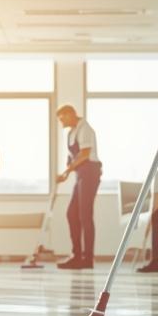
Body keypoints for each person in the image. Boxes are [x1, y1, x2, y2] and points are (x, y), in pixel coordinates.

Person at [54, 104, 101, 270]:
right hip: (81, 175)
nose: (61, 122)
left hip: (90, 173)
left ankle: (87, 259)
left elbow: (85, 154)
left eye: (62, 118)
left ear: (70, 114)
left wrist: (67, 172)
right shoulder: (71, 132)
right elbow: (73, 156)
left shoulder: (85, 128)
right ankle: (76, 255)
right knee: (72, 214)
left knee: (85, 215)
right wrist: (65, 173)